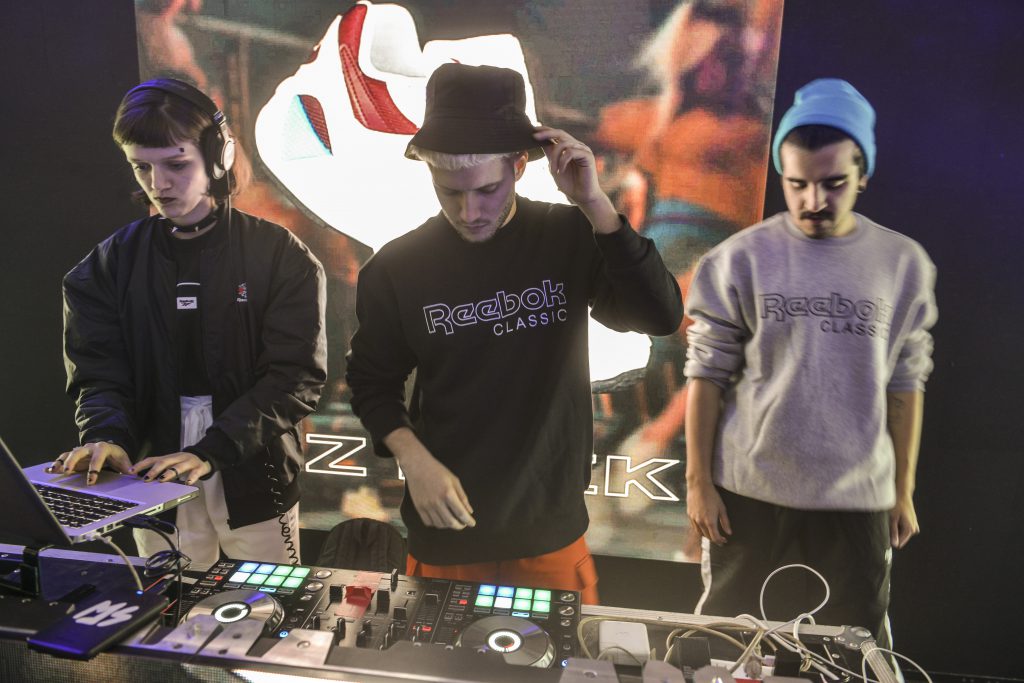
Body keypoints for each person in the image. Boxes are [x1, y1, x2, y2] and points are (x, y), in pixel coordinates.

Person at [345, 63, 683, 604]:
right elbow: (370, 382)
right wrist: (413, 458)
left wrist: (596, 205)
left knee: (557, 651)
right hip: (446, 530)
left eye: (486, 189)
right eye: (449, 192)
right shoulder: (397, 267)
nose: (469, 211)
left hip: (548, 530)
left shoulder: (568, 234)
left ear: (519, 165)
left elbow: (659, 316)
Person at [683, 78, 937, 642]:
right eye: (797, 184)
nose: (813, 201)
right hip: (749, 487)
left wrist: (903, 490)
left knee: (854, 648)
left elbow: (905, 385)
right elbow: (705, 375)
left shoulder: (902, 263)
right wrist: (698, 483)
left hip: (856, 493)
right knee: (723, 640)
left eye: (833, 183)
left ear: (863, 174)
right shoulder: (739, 259)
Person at [51, 78, 328, 569]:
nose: (158, 184)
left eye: (176, 165)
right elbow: (98, 375)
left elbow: (294, 379)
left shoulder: (281, 257)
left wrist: (211, 449)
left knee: (266, 606)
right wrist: (106, 435)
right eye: (142, 167)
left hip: (253, 468)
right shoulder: (106, 267)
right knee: (171, 607)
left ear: (219, 157)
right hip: (150, 470)